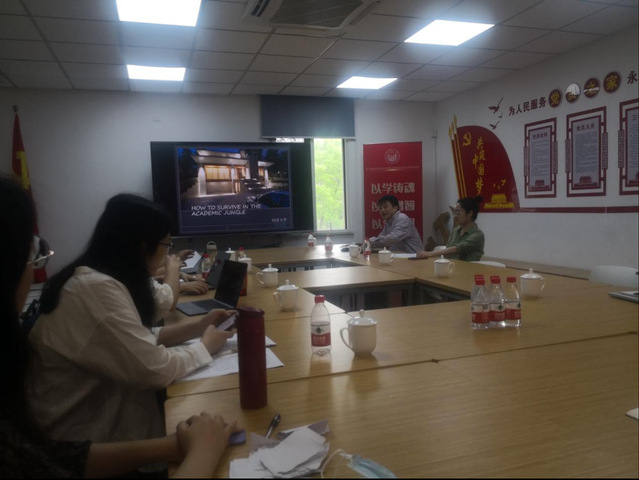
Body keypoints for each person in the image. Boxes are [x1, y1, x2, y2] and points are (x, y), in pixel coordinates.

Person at [0, 177, 238, 478]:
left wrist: (198, 326)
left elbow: (134, 339)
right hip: (86, 439)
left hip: (88, 448)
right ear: (143, 246)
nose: (167, 253)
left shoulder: (97, 278)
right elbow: (155, 369)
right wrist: (205, 346)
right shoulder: (93, 288)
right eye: (166, 245)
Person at [417, 196, 485, 261]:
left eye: (458, 212)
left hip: (468, 267)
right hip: (451, 266)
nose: (455, 216)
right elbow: (448, 251)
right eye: (454, 212)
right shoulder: (456, 231)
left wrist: (430, 253)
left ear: (470, 213)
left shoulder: (478, 235)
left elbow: (457, 249)